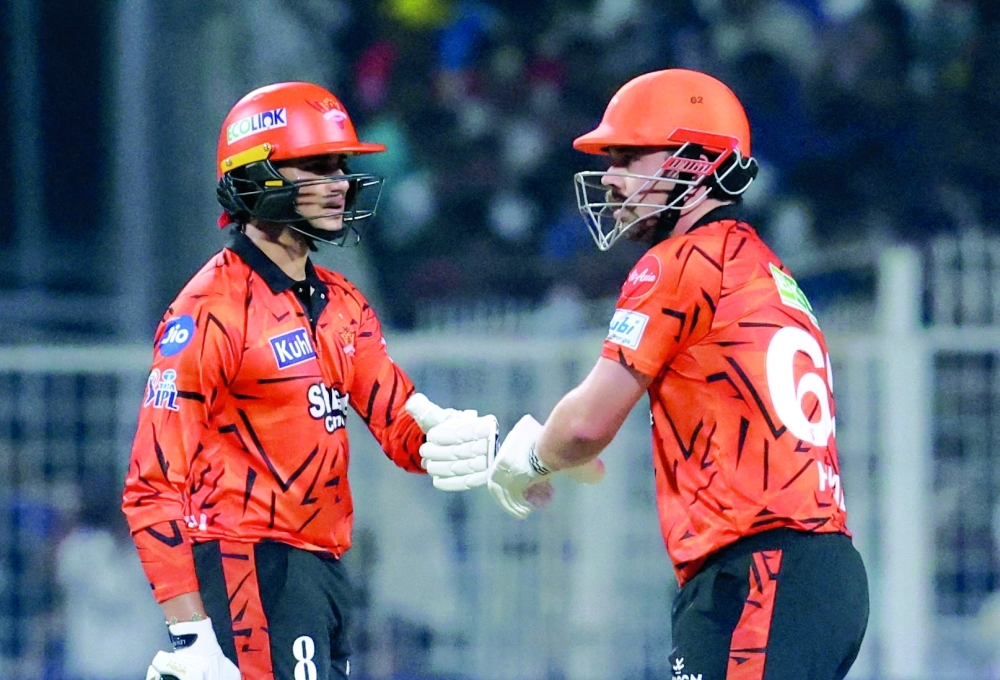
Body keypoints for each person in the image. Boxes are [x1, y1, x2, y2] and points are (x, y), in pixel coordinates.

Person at [486, 69, 870, 680]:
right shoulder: (763, 271)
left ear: (697, 162)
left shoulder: (677, 264)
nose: (610, 178)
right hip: (792, 571)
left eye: (630, 156)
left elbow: (587, 424)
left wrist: (529, 456)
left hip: (761, 570)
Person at [122, 81, 498, 680]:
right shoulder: (208, 309)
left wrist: (455, 442)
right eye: (317, 167)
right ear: (258, 176)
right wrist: (191, 637)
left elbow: (399, 421)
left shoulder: (343, 302)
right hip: (249, 565)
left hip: (320, 569)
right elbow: (150, 488)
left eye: (341, 167)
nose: (340, 184)